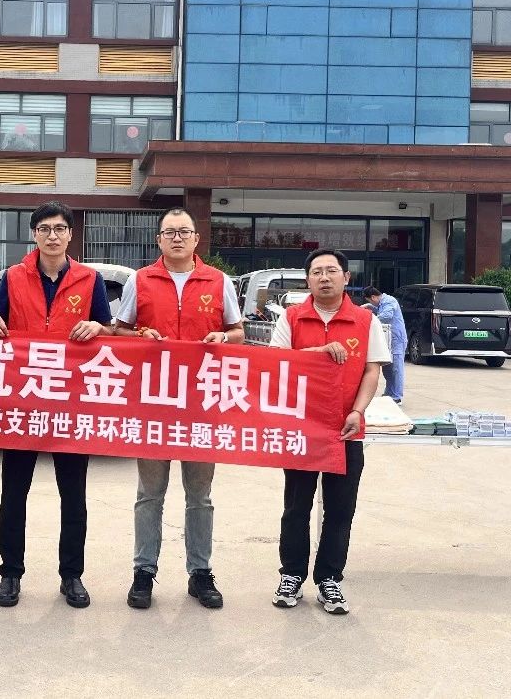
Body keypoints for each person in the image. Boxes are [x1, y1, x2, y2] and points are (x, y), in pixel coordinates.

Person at [0, 201, 112, 609]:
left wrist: (98, 325)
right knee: (13, 493)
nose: (52, 236)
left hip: (71, 403)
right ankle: (10, 574)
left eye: (59, 229)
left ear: (70, 234)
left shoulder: (91, 279)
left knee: (73, 495)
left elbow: (108, 328)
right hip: (22, 401)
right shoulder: (13, 277)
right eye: (44, 229)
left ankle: (71, 575)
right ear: (34, 234)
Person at [113, 207, 243, 610]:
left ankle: (200, 572)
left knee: (199, 496)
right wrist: (140, 334)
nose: (177, 238)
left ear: (196, 239)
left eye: (184, 231)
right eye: (169, 232)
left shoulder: (218, 281)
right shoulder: (140, 280)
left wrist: (224, 337)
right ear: (159, 240)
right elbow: (119, 330)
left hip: (202, 403)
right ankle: (143, 572)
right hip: (154, 401)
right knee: (149, 493)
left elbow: (238, 332)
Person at [268, 249, 389, 616]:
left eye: (331, 271)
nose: (324, 277)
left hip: (346, 430)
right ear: (308, 280)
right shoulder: (292, 317)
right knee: (296, 507)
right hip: (301, 429)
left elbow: (372, 370)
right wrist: (319, 351)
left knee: (340, 510)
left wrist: (357, 411)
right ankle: (291, 574)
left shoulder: (365, 321)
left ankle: (330, 579)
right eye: (317, 272)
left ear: (346, 278)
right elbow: (276, 363)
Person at [362, 286, 407, 405]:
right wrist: (369, 306)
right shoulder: (382, 303)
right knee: (387, 368)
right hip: (388, 339)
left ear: (373, 297)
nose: (371, 303)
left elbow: (386, 316)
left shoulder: (389, 301)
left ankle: (396, 396)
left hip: (397, 340)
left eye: (370, 301)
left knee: (396, 369)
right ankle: (389, 393)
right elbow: (380, 309)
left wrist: (369, 321)